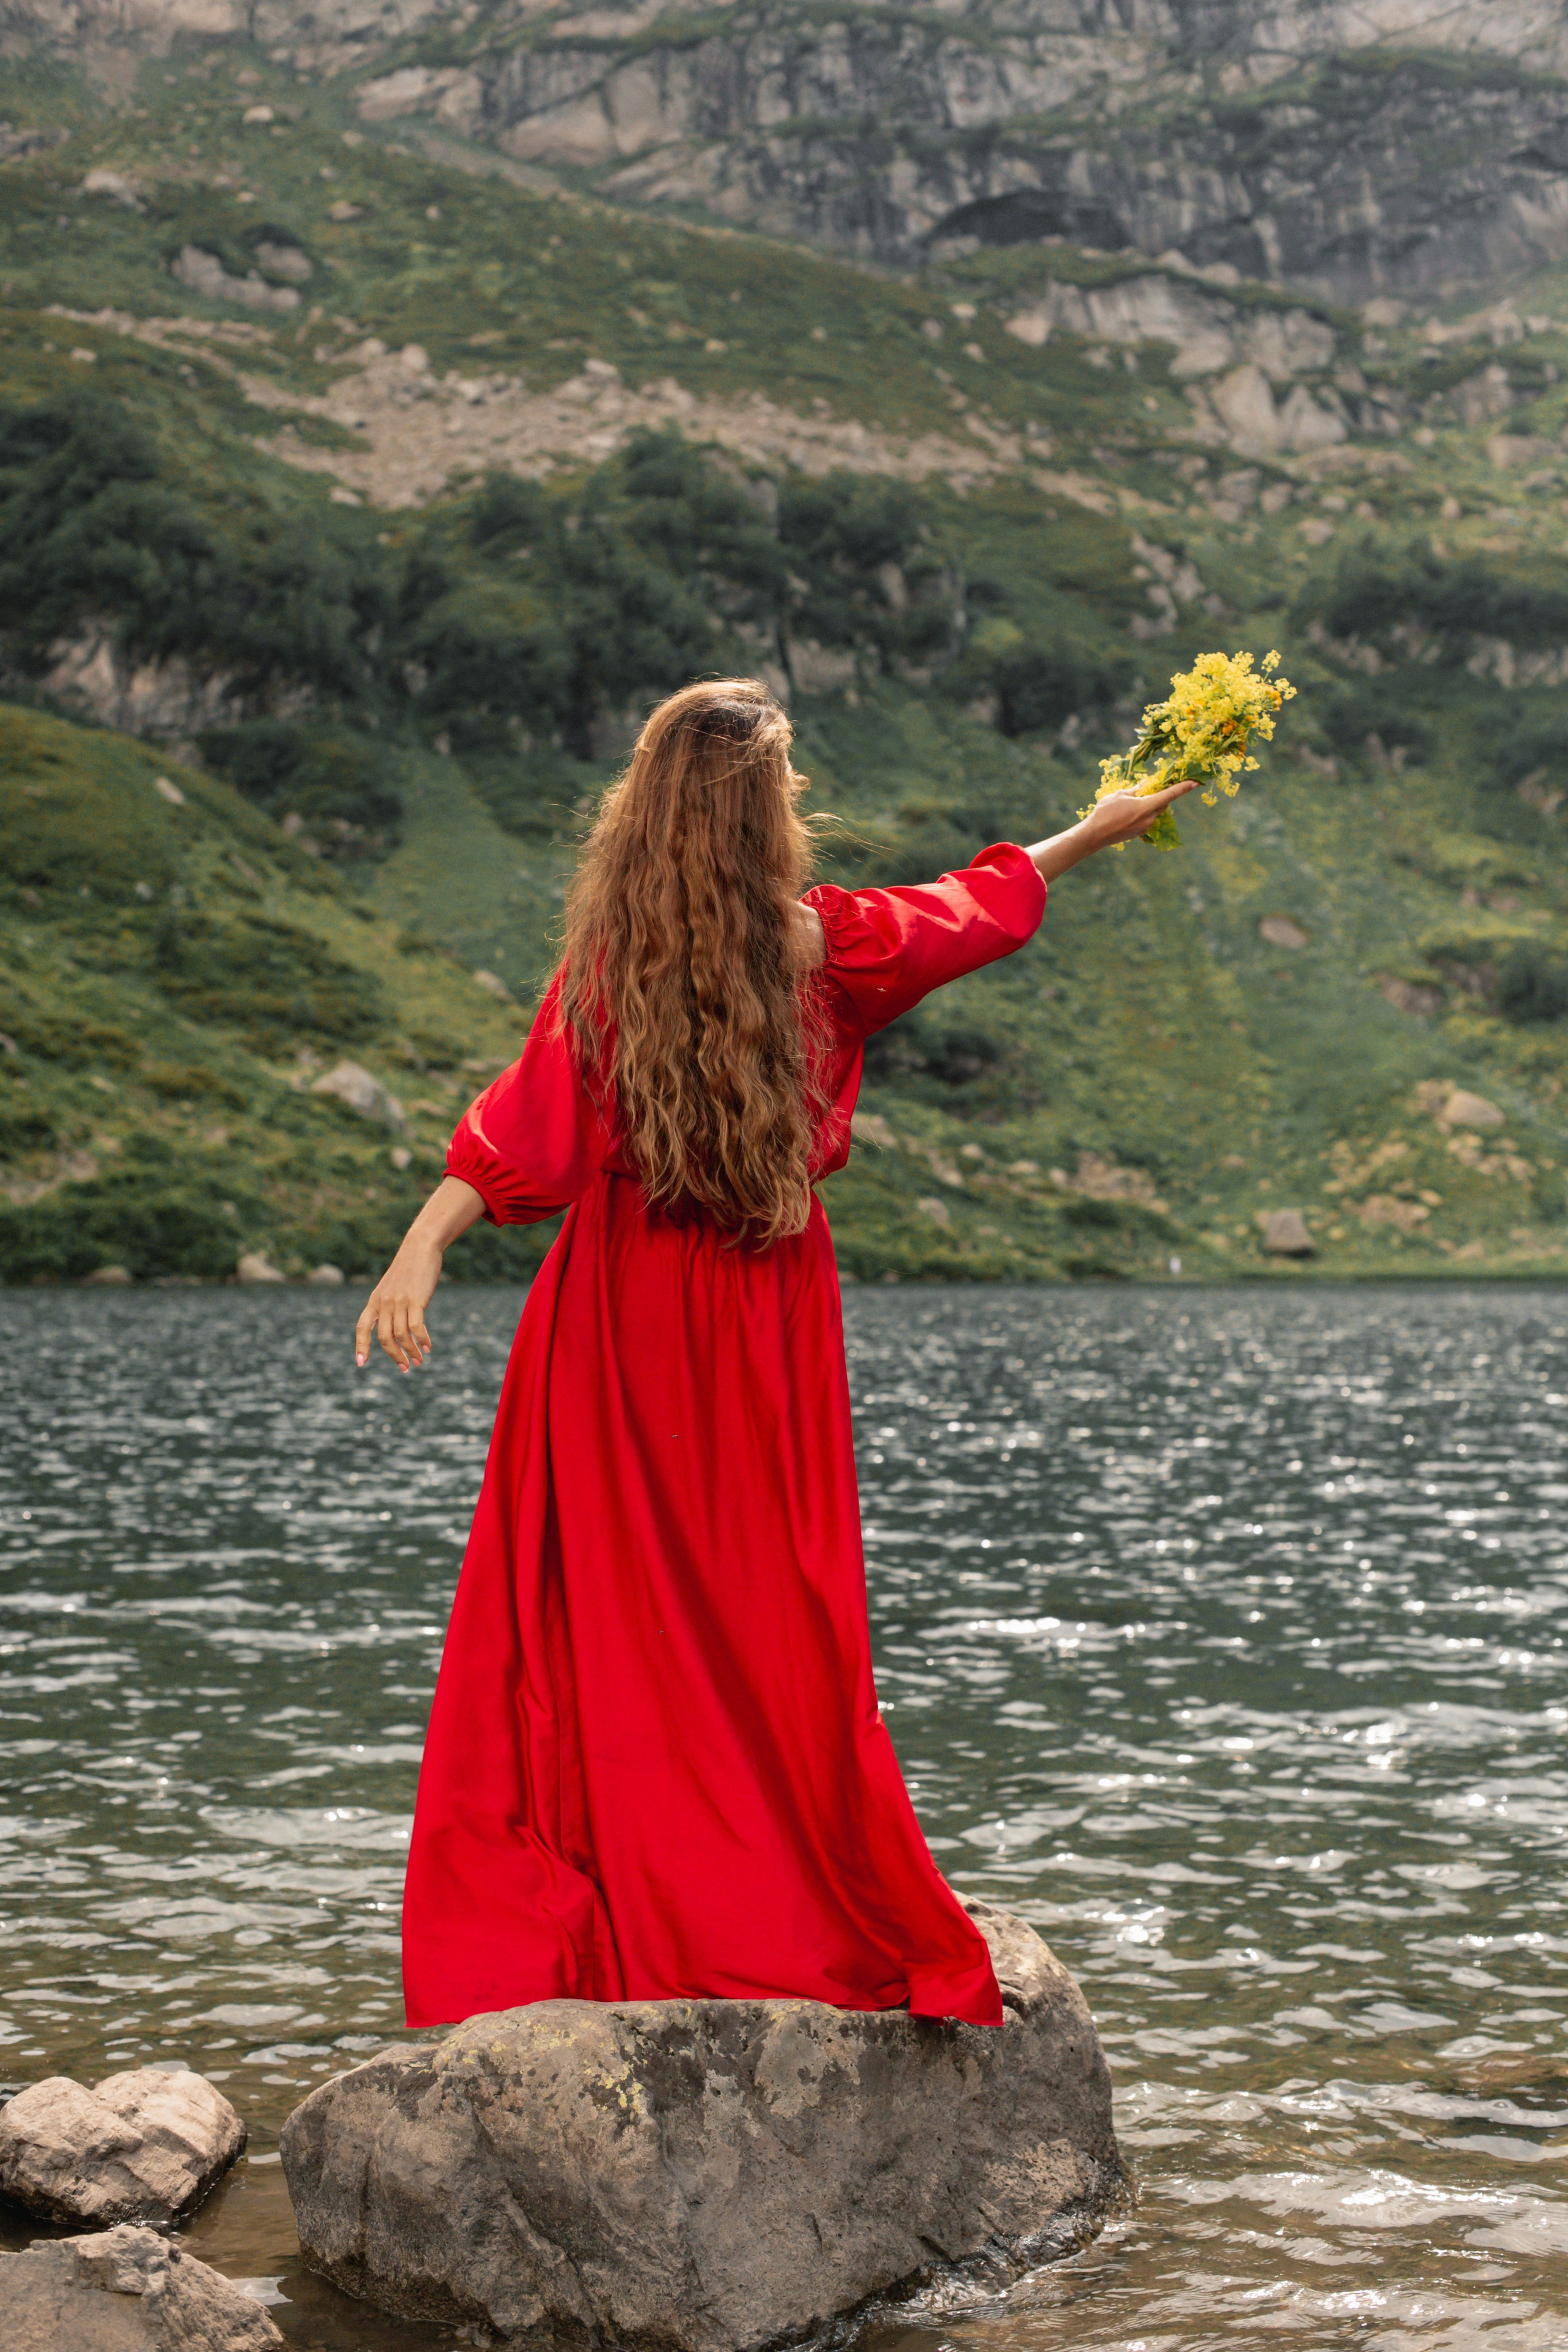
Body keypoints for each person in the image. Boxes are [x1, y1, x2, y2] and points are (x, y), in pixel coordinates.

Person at [356, 678, 1195, 2032]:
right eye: (787, 792)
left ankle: (614, 1907)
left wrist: (426, 1238)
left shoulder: (615, 965)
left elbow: (537, 1126)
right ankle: (777, 1897)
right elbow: (962, 910)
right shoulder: (819, 948)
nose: (799, 808)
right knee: (771, 1613)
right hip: (759, 1317)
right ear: (758, 816)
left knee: (594, 1619)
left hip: (616, 1313)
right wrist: (1086, 835)